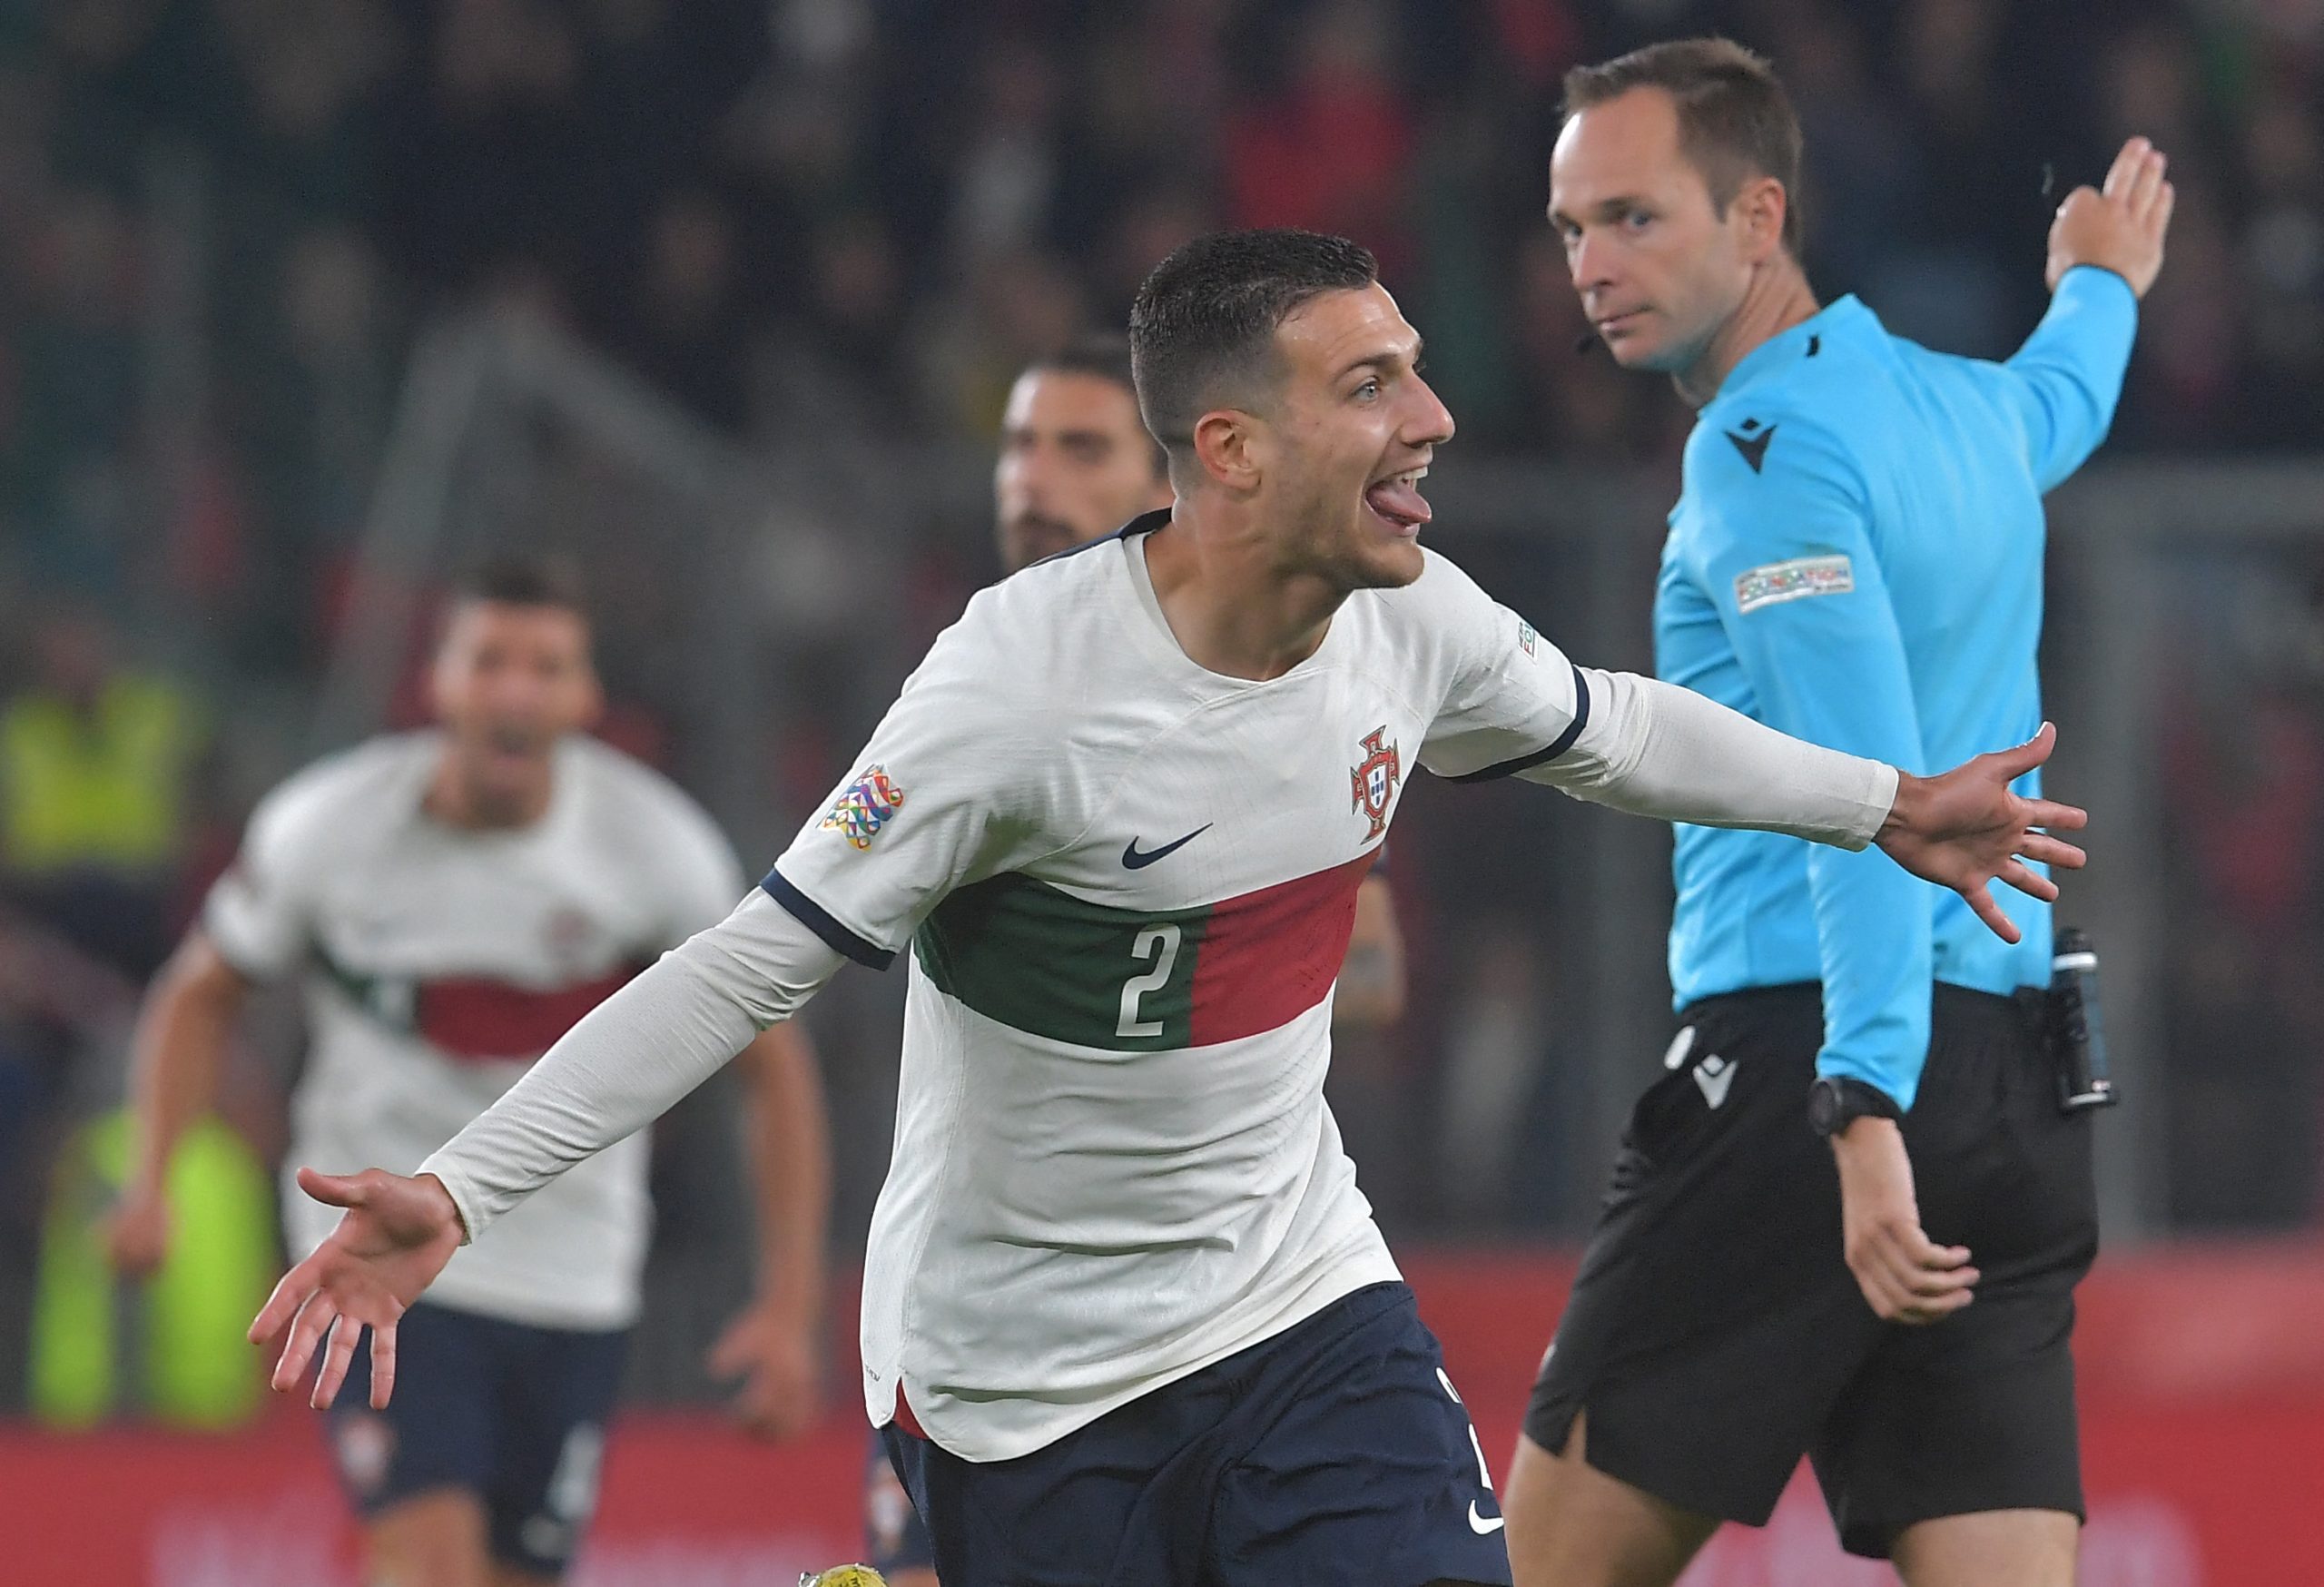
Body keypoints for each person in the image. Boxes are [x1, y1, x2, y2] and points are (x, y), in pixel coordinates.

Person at [250, 230, 2084, 1587]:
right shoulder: (1012, 693)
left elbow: (1610, 730)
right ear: (1226, 451)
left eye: (1415, 371)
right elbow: (746, 963)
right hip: (1015, 1378)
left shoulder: (1407, 622)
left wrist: (1885, 806)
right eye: (1369, 388)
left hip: (1293, 1304)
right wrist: (465, 1187)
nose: (1431, 420)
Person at [1504, 40, 2171, 1587]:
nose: (1590, 265)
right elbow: (2061, 402)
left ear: (1758, 219)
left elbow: (1878, 804)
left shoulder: (1761, 456)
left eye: (1633, 218)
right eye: (1567, 229)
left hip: (1815, 1067)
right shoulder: (1959, 405)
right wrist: (2105, 280)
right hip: (2014, 1083)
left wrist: (1863, 1107)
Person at [112, 557, 832, 1587]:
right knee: (428, 1561)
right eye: (489, 660)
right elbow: (200, 990)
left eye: (547, 667)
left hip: (573, 1270)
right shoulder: (329, 826)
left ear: (585, 699)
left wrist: (789, 1306)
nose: (515, 690)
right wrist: (152, 1180)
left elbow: (775, 1070)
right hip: (374, 1249)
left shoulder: (656, 848)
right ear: (439, 681)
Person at [862, 330, 1417, 1582]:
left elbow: (1373, 977)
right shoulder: (980, 680)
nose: (1030, 479)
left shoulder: (1271, 704)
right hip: (988, 1320)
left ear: (1172, 477)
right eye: (1017, 445)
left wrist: (1210, 971)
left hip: (1223, 1299)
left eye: (1077, 447)